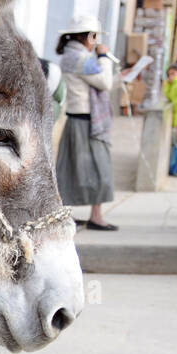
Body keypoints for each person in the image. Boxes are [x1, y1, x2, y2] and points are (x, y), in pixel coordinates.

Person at [55, 13, 117, 230]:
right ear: (88, 36)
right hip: (86, 121)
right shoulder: (80, 58)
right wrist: (105, 58)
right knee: (98, 169)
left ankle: (71, 215)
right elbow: (105, 82)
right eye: (95, 37)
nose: (96, 42)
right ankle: (95, 216)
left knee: (73, 169)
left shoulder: (73, 56)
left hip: (80, 119)